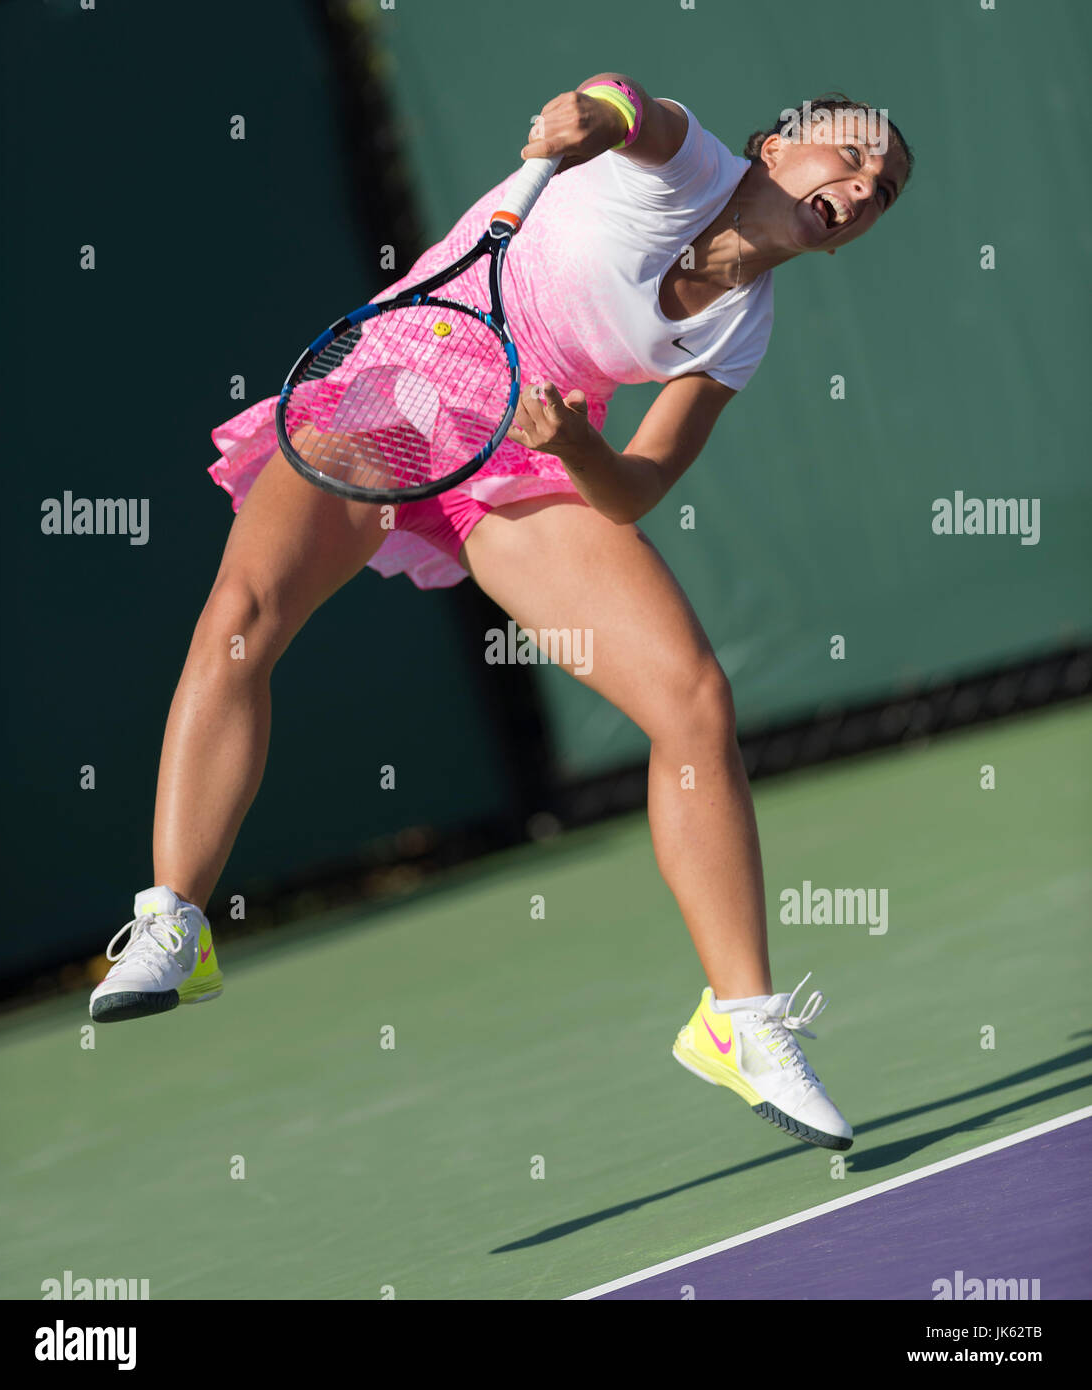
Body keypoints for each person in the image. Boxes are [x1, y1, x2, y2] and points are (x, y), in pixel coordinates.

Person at [89, 76, 912, 1151]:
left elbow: (636, 487)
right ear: (772, 145)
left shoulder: (739, 331)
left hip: (522, 448)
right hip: (391, 392)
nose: (861, 185)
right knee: (244, 615)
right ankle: (174, 922)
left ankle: (740, 1020)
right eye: (848, 156)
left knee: (691, 699)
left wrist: (575, 445)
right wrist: (590, 114)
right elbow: (625, 105)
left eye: (882, 191)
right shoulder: (686, 164)